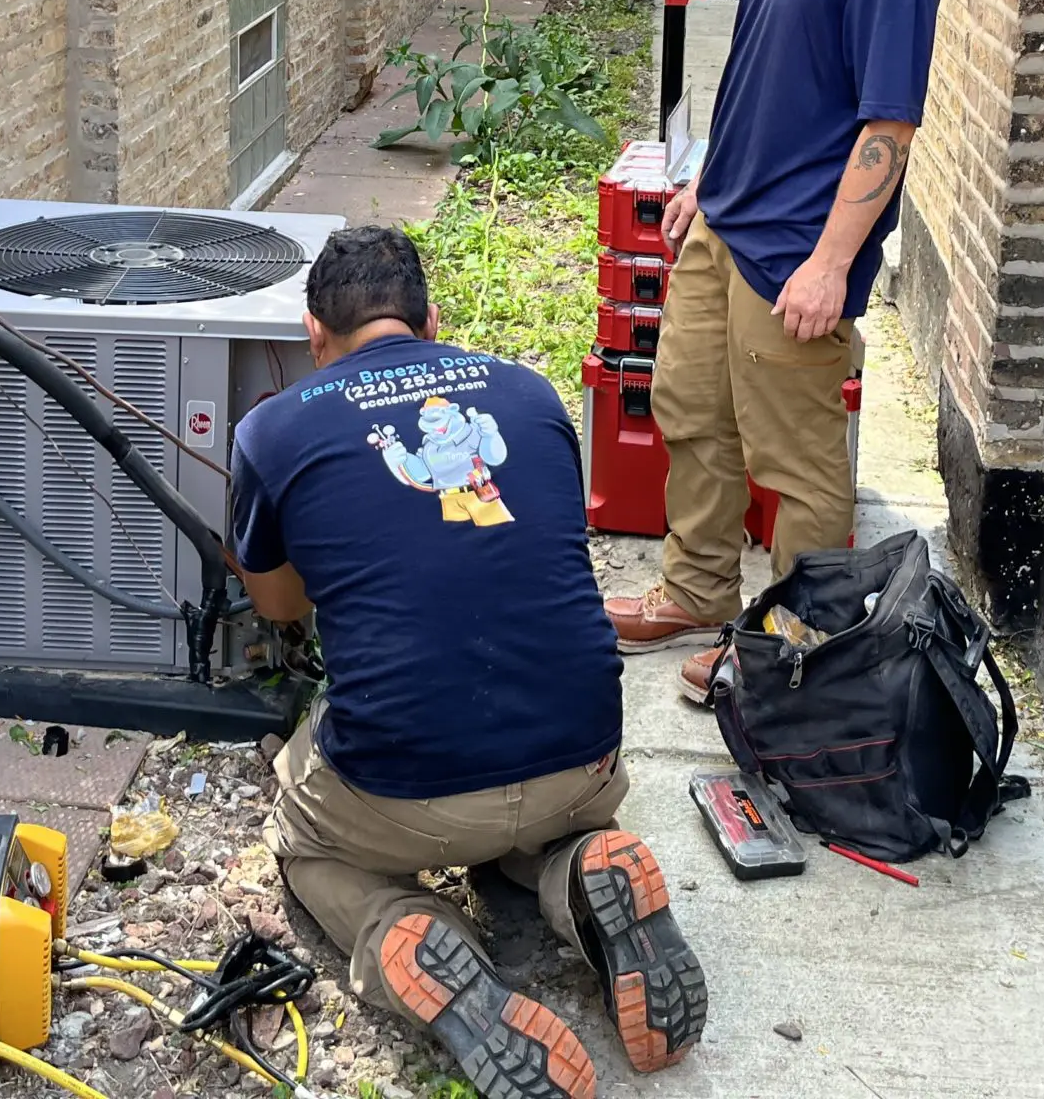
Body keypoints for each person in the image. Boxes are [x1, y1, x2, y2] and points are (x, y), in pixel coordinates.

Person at [230, 225, 707, 1099]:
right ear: (432, 319)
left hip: (404, 791)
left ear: (313, 334)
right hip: (581, 757)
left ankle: (402, 925)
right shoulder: (530, 394)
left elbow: (279, 606)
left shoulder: (273, 431)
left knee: (304, 842)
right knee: (529, 828)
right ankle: (582, 875)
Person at [607, 0, 943, 706]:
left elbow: (888, 125)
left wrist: (833, 262)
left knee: (794, 465)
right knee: (692, 417)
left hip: (796, 248)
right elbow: (766, 65)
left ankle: (789, 651)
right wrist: (705, 180)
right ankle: (695, 592)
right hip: (726, 218)